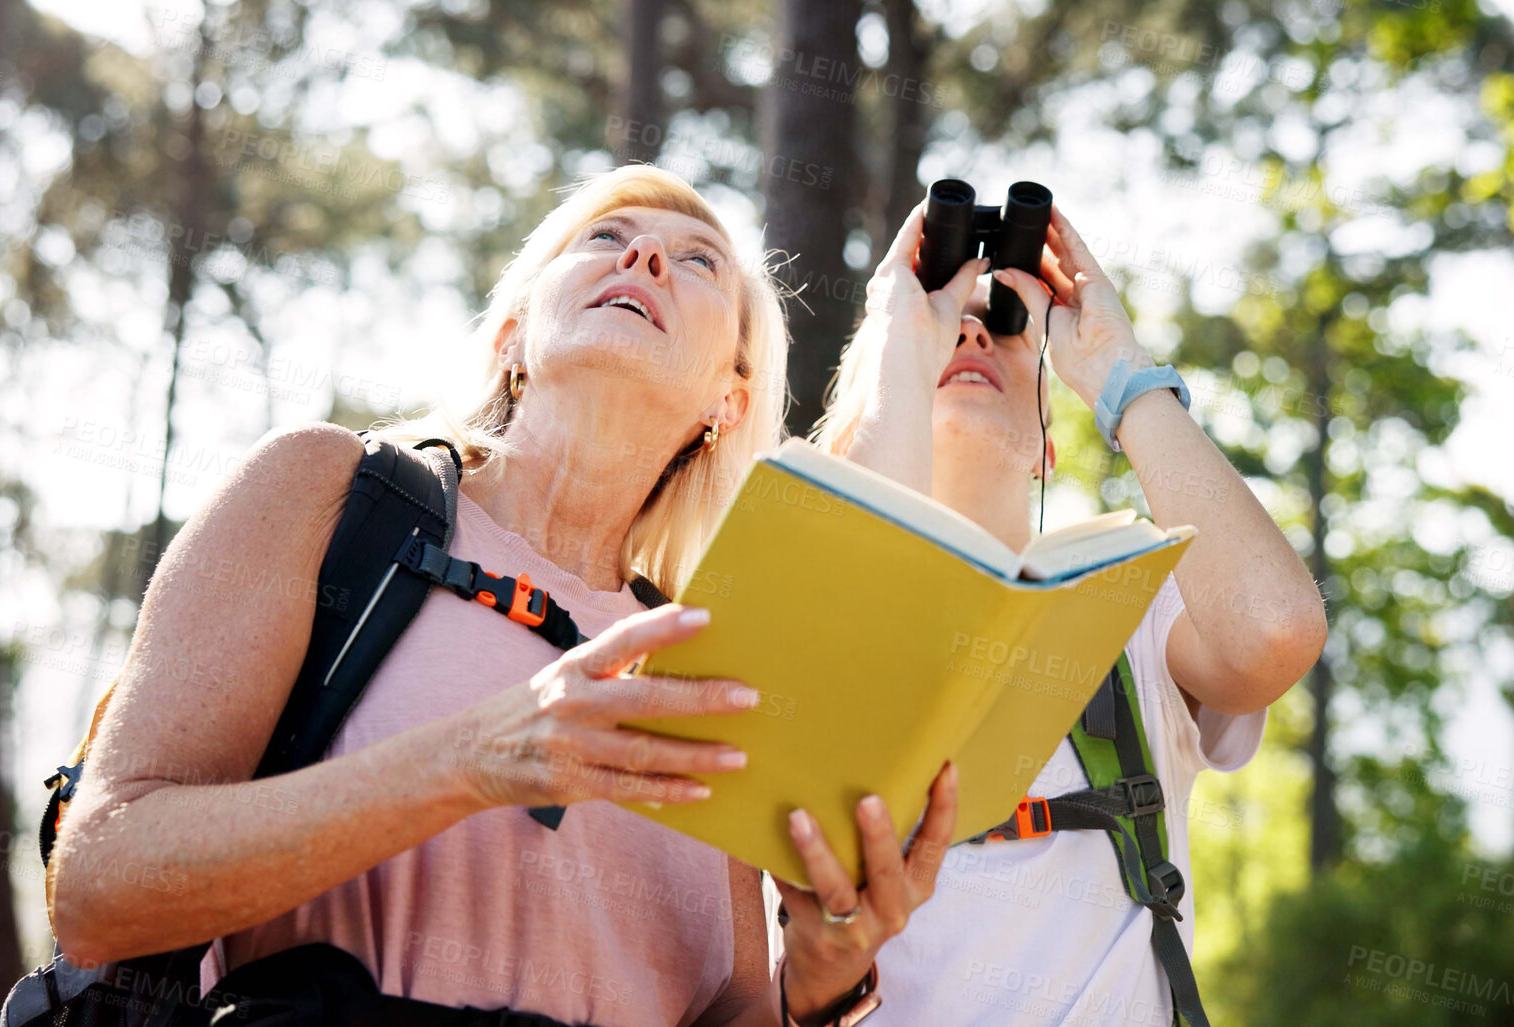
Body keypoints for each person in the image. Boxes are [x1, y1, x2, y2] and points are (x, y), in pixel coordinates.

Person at [49, 165, 959, 1027]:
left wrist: (817, 987)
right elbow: (100, 885)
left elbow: (725, 1007)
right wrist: (473, 759)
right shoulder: (327, 491)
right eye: (607, 236)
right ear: (512, 333)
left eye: (696, 262)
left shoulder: (705, 655)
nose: (643, 258)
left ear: (728, 395)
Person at [812, 199, 1328, 1025]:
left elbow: (1273, 630)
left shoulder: (1130, 607)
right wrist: (894, 341)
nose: (972, 335)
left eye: (1004, 326)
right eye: (945, 326)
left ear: (1047, 443)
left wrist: (1118, 370)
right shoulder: (806, 610)